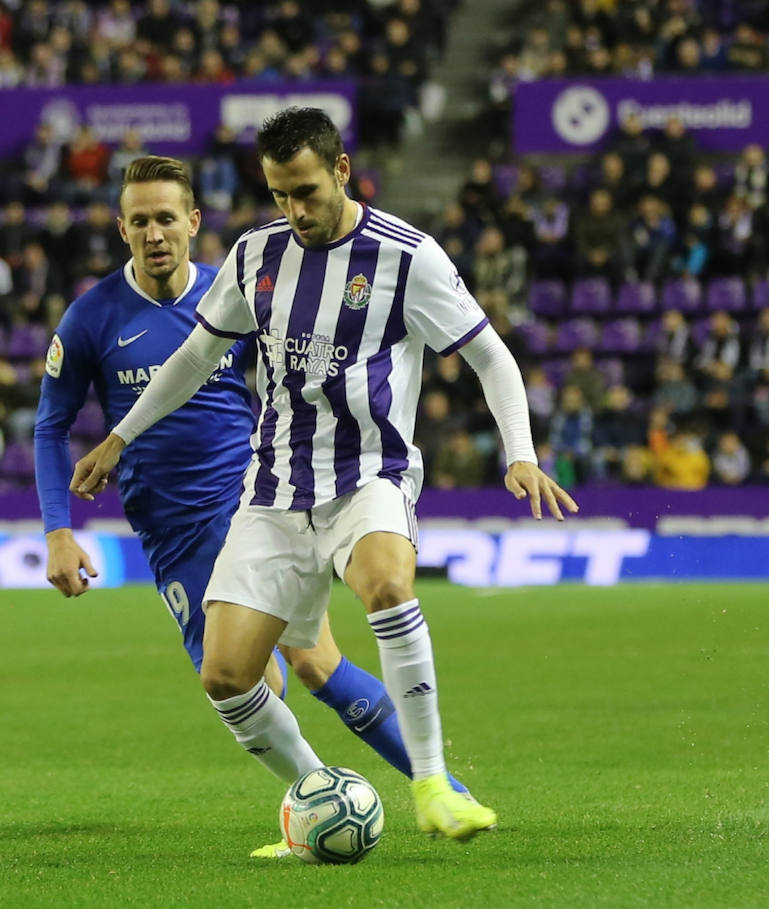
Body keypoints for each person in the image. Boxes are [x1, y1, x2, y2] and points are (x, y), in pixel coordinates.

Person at [71, 109, 575, 846]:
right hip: (273, 489)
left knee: (388, 583)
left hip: (370, 472)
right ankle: (312, 794)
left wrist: (520, 451)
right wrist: (119, 434)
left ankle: (434, 783)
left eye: (305, 191)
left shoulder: (409, 257)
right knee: (225, 674)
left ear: (341, 172)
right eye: (279, 195)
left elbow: (491, 357)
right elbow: (193, 357)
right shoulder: (255, 255)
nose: (294, 210)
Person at [34, 154, 473, 859]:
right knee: (277, 672)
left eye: (166, 218)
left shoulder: (241, 288)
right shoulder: (91, 320)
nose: (155, 233)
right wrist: (59, 529)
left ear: (192, 222)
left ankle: (399, 792)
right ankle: (338, 797)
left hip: (253, 502)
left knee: (295, 664)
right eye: (140, 221)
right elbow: (50, 424)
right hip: (170, 528)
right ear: (122, 229)